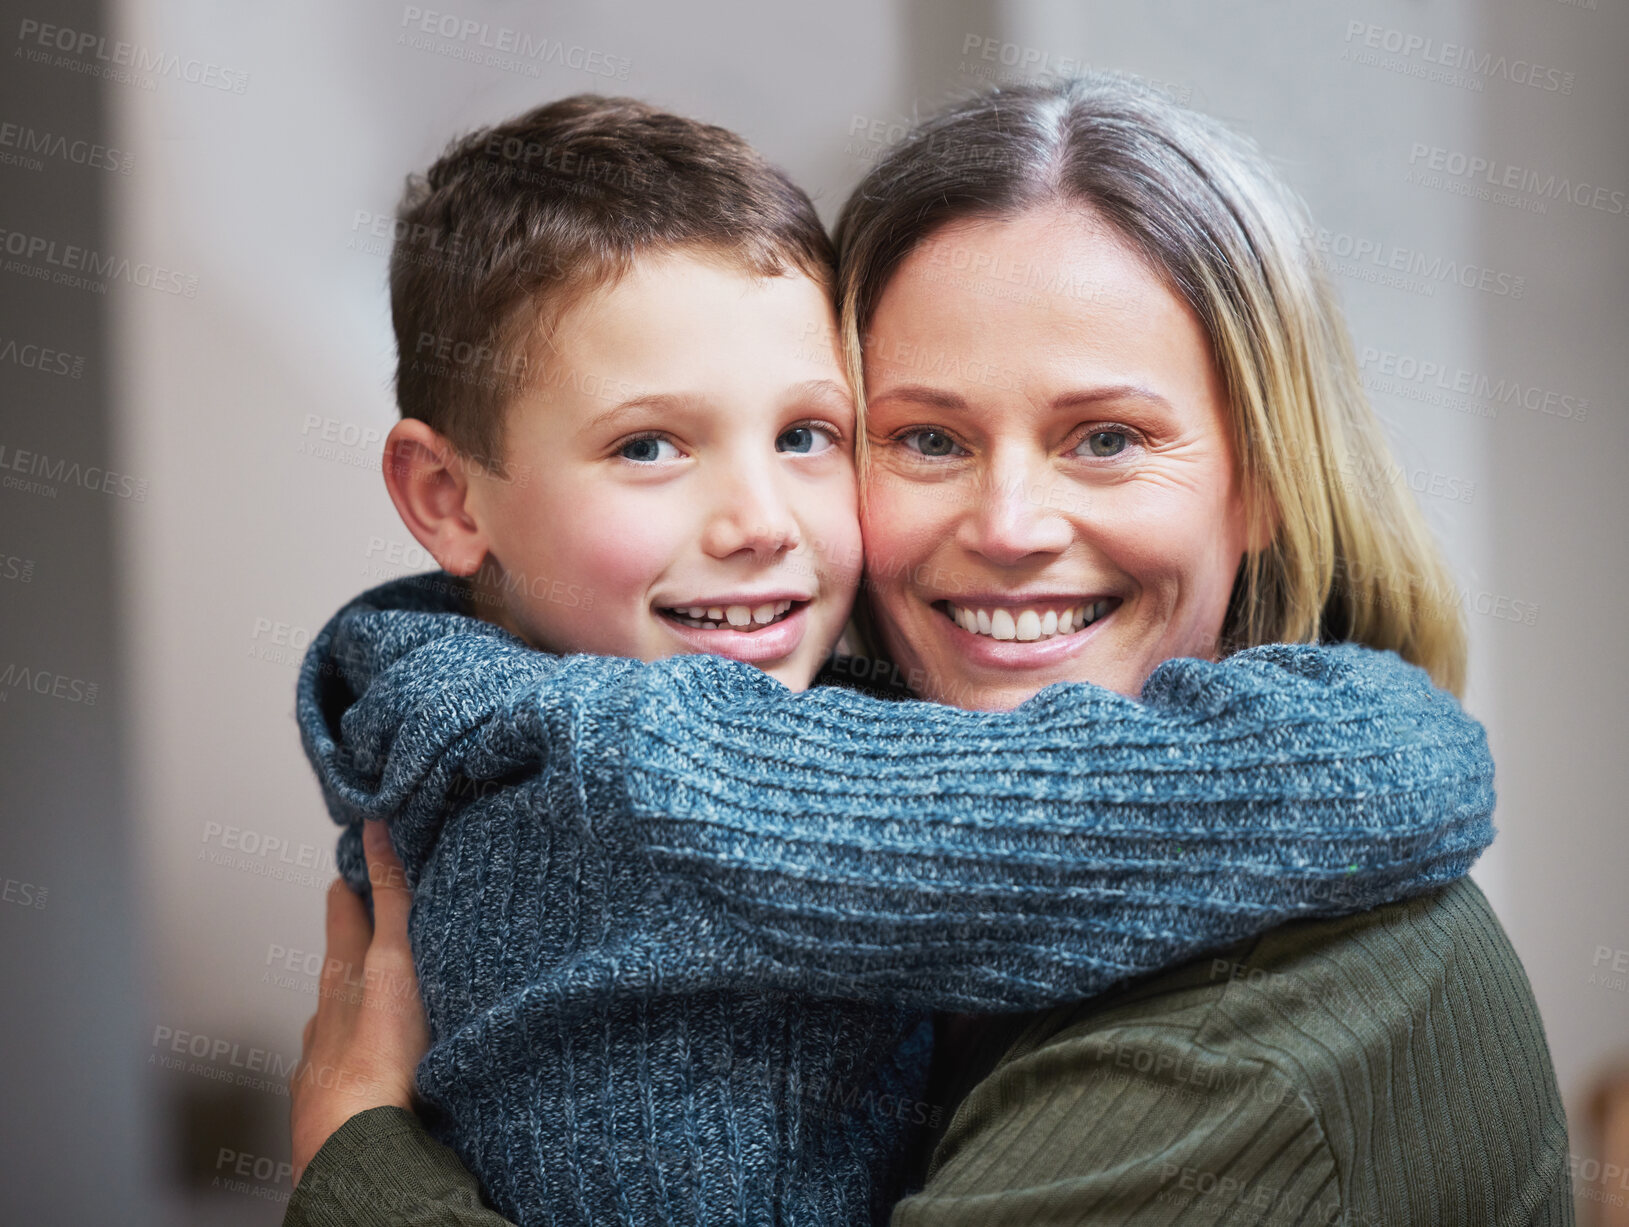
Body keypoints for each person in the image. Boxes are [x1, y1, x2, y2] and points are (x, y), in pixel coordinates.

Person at [283, 79, 1562, 1227]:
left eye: (1108, 436)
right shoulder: (644, 754)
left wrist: (356, 1164)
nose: (1008, 530)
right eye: (927, 440)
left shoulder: (1251, 1040)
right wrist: (1388, 737)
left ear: (1268, 474)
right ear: (450, 498)